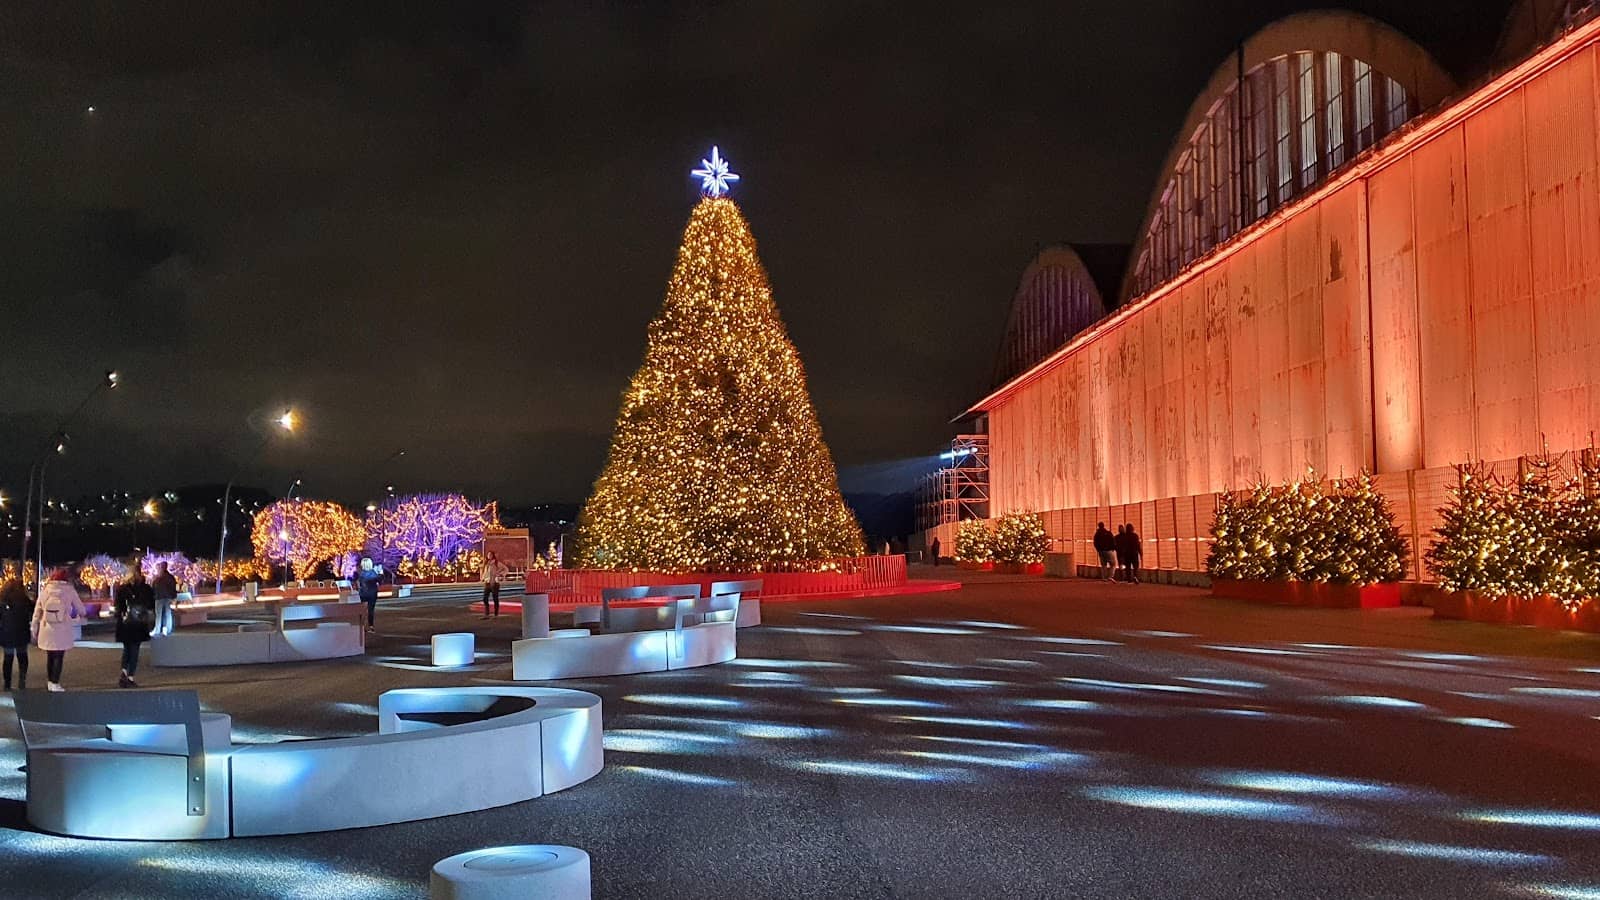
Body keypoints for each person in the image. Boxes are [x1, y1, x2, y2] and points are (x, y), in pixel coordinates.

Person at [31, 568, 86, 692]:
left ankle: (50, 681)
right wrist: (77, 615)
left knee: (50, 655)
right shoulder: (69, 590)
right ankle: (55, 682)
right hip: (62, 628)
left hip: (47, 627)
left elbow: (37, 611)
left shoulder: (45, 590)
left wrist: (34, 626)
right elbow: (81, 609)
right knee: (59, 656)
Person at [113, 564, 157, 688]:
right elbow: (151, 605)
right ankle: (131, 677)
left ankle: (124, 671)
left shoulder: (121, 589)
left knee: (126, 648)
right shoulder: (146, 588)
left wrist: (120, 615)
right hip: (138, 623)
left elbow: (117, 606)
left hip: (125, 623)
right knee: (135, 650)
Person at [0, 578, 34, 690]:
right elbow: (32, 610)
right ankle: (22, 679)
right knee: (22, 655)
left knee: (8, 658)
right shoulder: (24, 599)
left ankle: (7, 683)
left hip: (7, 632)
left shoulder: (2, 600)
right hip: (22, 631)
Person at [150, 560, 178, 637]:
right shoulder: (170, 577)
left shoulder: (158, 577)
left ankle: (157, 629)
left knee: (159, 614)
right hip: (167, 597)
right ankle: (167, 629)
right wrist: (174, 597)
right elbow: (173, 588)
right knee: (168, 614)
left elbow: (153, 586)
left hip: (159, 597)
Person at [355, 558, 383, 632]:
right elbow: (380, 581)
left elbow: (359, 583)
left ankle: (362, 626)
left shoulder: (361, 574)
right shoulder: (373, 573)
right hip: (372, 593)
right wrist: (380, 573)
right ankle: (371, 626)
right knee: (371, 610)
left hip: (363, 593)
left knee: (363, 610)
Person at [480, 551, 506, 618]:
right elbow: (486, 572)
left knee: (495, 599)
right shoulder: (486, 563)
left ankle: (496, 614)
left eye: (490, 554)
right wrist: (483, 578)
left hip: (495, 583)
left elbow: (505, 569)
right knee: (485, 598)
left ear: (493, 555)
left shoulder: (496, 563)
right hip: (487, 583)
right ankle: (487, 614)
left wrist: (500, 574)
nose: (489, 556)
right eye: (488, 554)